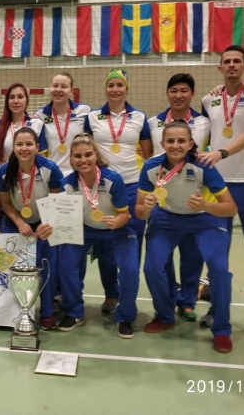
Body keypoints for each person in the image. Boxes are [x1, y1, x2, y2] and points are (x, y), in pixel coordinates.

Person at [137, 121, 237, 353]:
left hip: (204, 218)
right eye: (170, 141)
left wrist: (206, 205)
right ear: (162, 143)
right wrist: (147, 208)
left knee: (219, 269)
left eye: (181, 141)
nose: (176, 145)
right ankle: (165, 316)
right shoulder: (151, 166)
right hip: (167, 218)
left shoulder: (203, 165)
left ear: (191, 143)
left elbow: (231, 208)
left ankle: (222, 329)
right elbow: (140, 213)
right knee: (152, 268)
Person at [197, 44, 244, 337]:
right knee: (218, 254)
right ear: (220, 68)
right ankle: (217, 308)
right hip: (218, 185)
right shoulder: (208, 100)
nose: (231, 65)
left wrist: (221, 153)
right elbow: (203, 136)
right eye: (226, 61)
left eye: (237, 61)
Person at [84, 68, 153, 315]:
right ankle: (111, 294)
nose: (115, 89)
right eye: (111, 85)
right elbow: (86, 148)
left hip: (133, 186)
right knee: (105, 246)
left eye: (120, 85)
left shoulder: (139, 117)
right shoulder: (92, 117)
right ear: (105, 89)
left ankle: (127, 296)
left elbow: (148, 153)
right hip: (104, 188)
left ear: (126, 88)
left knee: (132, 243)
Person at [55, 133, 137, 338]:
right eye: (77, 156)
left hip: (116, 229)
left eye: (88, 155)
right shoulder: (67, 184)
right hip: (83, 228)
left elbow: (124, 214)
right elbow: (64, 216)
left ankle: (125, 316)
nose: (83, 160)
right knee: (66, 263)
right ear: (71, 159)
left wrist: (117, 222)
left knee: (130, 270)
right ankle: (74, 312)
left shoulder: (113, 179)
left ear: (96, 155)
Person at [147, 73, 211, 322]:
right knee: (160, 258)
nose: (178, 95)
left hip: (193, 200)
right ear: (167, 94)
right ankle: (169, 298)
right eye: (174, 90)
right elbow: (149, 155)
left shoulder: (204, 122)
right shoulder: (153, 123)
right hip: (162, 201)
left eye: (184, 90)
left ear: (192, 94)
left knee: (192, 257)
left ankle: (187, 302)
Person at [0, 127, 60, 330]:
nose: (24, 148)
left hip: (44, 223)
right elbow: (5, 202)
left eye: (29, 144)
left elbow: (56, 200)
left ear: (37, 147)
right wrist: (19, 222)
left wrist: (46, 223)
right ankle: (11, 312)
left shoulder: (50, 168)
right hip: (15, 222)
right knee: (10, 266)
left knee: (46, 265)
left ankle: (47, 312)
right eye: (19, 144)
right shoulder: (4, 171)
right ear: (13, 147)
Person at [34, 72, 92, 177]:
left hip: (78, 174)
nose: (58, 90)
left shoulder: (84, 111)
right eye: (55, 85)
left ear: (71, 91)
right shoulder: (40, 115)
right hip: (52, 175)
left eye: (64, 86)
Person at [0, 82, 47, 164]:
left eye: (20, 97)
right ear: (7, 101)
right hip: (7, 171)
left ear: (26, 101)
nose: (16, 101)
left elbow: (42, 158)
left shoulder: (37, 124)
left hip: (31, 171)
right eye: (12, 97)